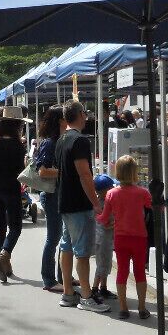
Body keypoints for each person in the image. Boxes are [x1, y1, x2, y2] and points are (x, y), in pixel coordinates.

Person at [55, 101, 110, 313]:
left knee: (67, 247)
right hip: (79, 203)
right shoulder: (80, 140)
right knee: (82, 252)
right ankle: (86, 296)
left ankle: (68, 292)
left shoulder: (62, 139)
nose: (86, 117)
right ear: (79, 114)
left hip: (65, 201)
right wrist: (96, 203)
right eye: (85, 113)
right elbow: (84, 174)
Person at [96, 156, 152, 320]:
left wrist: (96, 215)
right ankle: (142, 308)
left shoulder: (111, 194)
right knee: (140, 272)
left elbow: (104, 218)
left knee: (122, 271)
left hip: (120, 237)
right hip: (139, 237)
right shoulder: (143, 192)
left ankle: (123, 308)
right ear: (135, 172)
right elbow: (155, 207)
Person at [0, 111, 29, 284]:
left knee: (0, 226)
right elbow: (20, 169)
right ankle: (4, 255)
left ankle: (4, 263)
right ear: (16, 126)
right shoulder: (18, 145)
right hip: (11, 187)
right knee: (16, 226)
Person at [35, 105, 65, 293]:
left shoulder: (59, 140)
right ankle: (49, 279)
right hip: (52, 195)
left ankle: (63, 276)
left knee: (62, 238)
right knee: (54, 238)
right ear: (60, 120)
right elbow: (43, 171)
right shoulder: (50, 142)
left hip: (58, 194)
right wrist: (66, 172)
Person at [91, 174, 115, 300]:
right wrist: (116, 223)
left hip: (104, 239)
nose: (112, 189)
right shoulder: (103, 204)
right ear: (104, 190)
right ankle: (95, 288)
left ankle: (103, 288)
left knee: (105, 263)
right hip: (102, 239)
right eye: (110, 187)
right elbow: (106, 223)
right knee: (102, 264)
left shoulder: (99, 201)